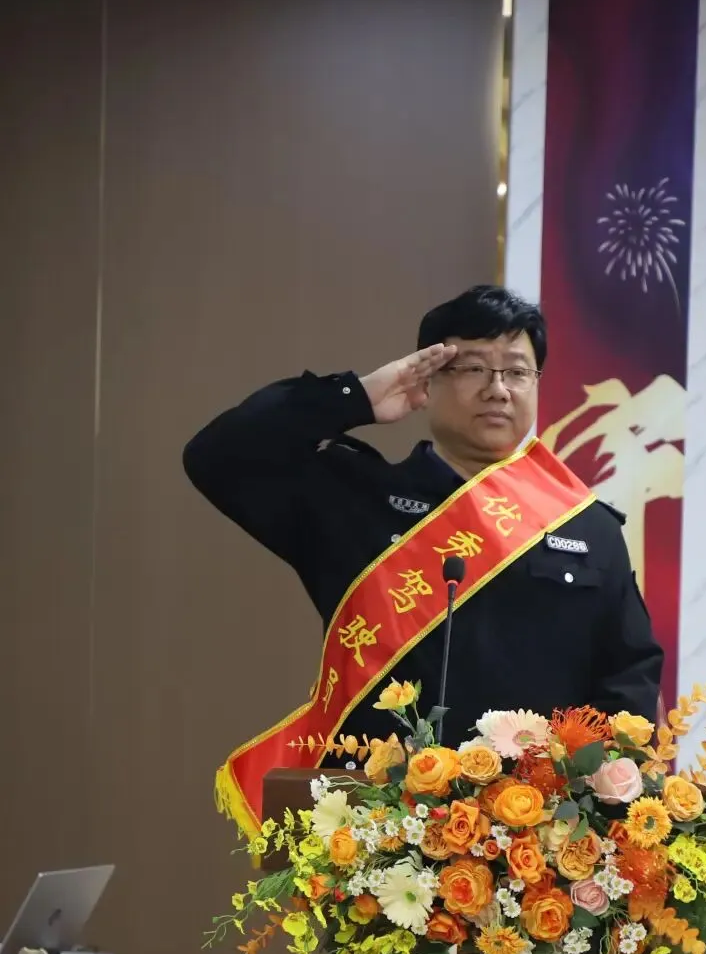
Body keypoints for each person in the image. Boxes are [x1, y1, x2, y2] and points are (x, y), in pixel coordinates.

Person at [184, 284, 662, 826]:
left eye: (516, 371)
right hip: (378, 827)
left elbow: (628, 673)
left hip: (538, 830)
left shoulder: (586, 525)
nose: (498, 389)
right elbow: (218, 456)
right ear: (428, 380)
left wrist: (599, 807)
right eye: (474, 368)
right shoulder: (358, 497)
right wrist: (355, 397)